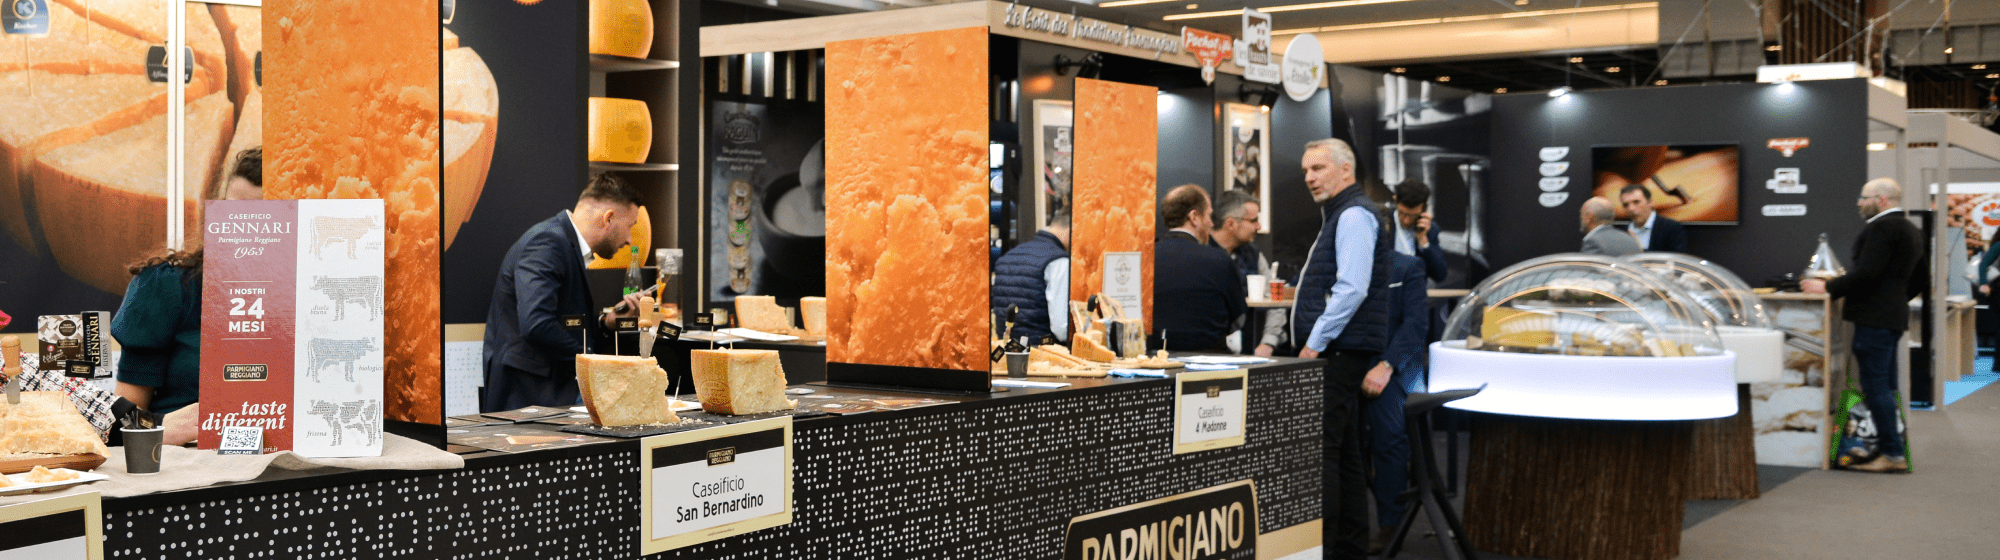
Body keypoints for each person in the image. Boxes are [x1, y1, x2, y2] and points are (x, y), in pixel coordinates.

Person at [107, 147, 265, 446]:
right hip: (184, 468)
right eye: (233, 213)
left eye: (263, 218)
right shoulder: (168, 287)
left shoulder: (314, 293)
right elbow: (121, 420)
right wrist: (162, 426)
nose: (245, 229)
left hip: (289, 470)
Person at [1292, 138, 1392, 559]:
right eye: (1306, 172)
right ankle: (1348, 547)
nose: (1310, 178)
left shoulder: (1351, 214)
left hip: (1337, 351)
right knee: (1347, 452)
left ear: (1345, 170)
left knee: (1323, 452)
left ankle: (1324, 547)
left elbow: (1351, 288)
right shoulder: (1345, 213)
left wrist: (1314, 343)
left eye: (1318, 168)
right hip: (1345, 350)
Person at [482, 172, 646, 412]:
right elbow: (536, 324)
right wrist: (592, 363)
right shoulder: (547, 243)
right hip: (529, 403)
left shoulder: (561, 245)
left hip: (549, 398)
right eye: (630, 226)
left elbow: (560, 321)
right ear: (608, 218)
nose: (629, 240)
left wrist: (605, 324)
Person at [1802, 178, 1927, 473]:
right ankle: (1891, 448)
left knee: (1875, 387)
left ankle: (1892, 454)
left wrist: (1828, 288)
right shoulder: (1911, 229)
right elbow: (1920, 279)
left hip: (1874, 319)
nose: (1859, 203)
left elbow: (1868, 274)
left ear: (1882, 199)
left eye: (1863, 197)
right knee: (1887, 387)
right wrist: (1894, 299)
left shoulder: (1882, 228)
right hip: (1891, 317)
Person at [1364, 251, 1428, 553]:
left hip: (1391, 364)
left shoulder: (1406, 266)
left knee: (1389, 441)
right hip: (1350, 362)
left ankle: (1391, 525)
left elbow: (1416, 324)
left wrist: (1387, 365)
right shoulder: (1339, 261)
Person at [1151, 185, 1246, 352]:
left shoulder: (1145, 260)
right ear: (1194, 217)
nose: (1211, 223)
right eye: (1209, 215)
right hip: (1210, 363)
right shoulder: (1219, 259)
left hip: (1154, 361)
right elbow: (1238, 318)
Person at [1210, 189, 1285, 356]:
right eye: (1254, 220)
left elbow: (1274, 300)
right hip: (1208, 353)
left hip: (1248, 356)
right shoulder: (1201, 251)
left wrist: (1268, 342)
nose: (1258, 226)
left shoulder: (1254, 255)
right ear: (1230, 224)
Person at [991, 210, 1070, 344]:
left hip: (1006, 350)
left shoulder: (1007, 257)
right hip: (1042, 355)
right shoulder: (1059, 260)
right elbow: (1061, 329)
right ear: (1069, 230)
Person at [1390, 180, 1448, 282]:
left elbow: (1440, 276)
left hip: (1414, 293)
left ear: (1423, 209)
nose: (1406, 220)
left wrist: (1424, 242)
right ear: (1395, 200)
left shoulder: (1429, 229)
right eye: (1402, 213)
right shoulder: (1383, 224)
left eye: (1413, 215)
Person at [1620, 184, 1688, 253]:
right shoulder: (1623, 231)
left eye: (1636, 202)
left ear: (1650, 202)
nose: (1631, 208)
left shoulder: (1671, 228)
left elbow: (1678, 260)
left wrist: (1639, 249)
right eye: (1626, 205)